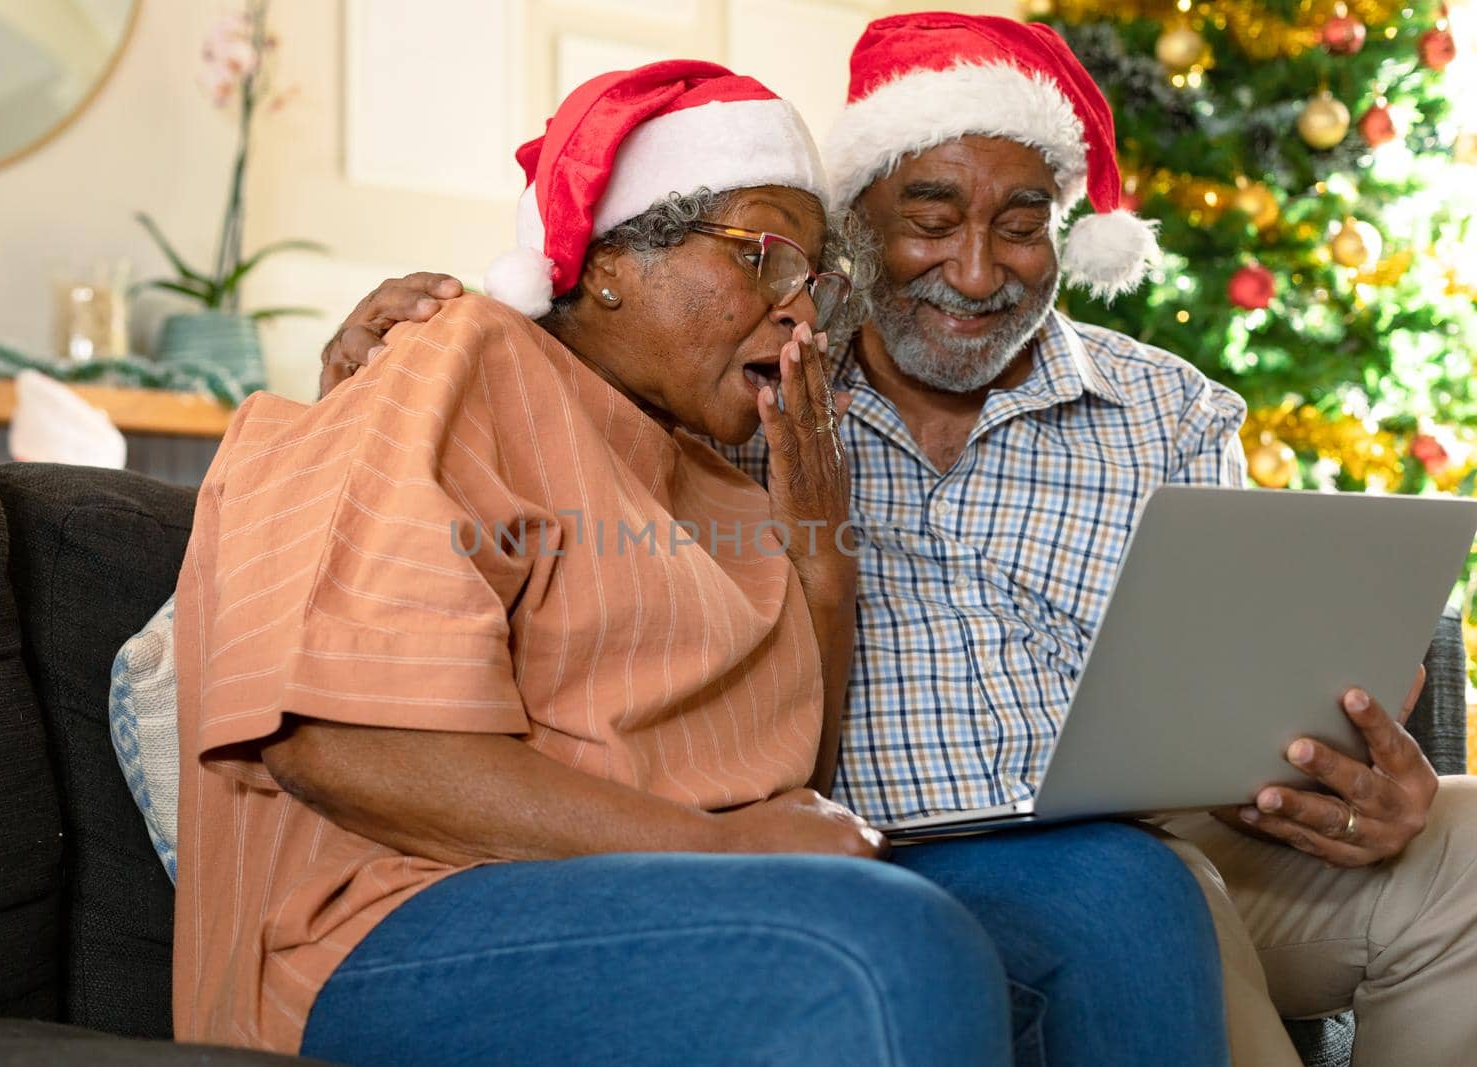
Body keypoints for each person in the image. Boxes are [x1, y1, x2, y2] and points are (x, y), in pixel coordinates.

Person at [322, 14, 1477, 1067]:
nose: (976, 273)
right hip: (892, 843)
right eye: (928, 222)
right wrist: (393, 344)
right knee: (1131, 888)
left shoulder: (1169, 410)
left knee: (1454, 842)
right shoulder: (743, 375)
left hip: (1174, 828)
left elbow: (1261, 679)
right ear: (854, 230)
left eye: (1022, 228)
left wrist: (1344, 764)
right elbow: (571, 352)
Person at [170, 58, 1228, 1066]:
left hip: (664, 891)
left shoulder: (721, 459)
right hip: (388, 919)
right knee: (874, 939)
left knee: (1120, 893)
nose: (801, 310)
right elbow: (343, 746)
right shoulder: (459, 359)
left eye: (814, 277)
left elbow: (789, 786)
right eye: (760, 256)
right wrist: (719, 851)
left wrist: (818, 545)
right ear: (610, 264)